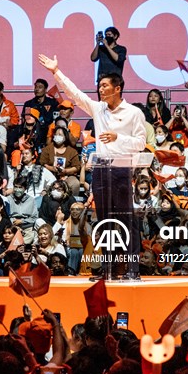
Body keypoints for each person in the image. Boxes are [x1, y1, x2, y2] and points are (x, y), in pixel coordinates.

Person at [38, 52, 146, 280]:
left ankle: (132, 269)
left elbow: (140, 143)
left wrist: (118, 138)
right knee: (105, 221)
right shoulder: (98, 109)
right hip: (101, 170)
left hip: (121, 170)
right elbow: (74, 94)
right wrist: (56, 72)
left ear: (118, 88)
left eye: (105, 85)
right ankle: (108, 270)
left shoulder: (134, 112)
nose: (100, 89)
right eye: (99, 85)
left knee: (126, 220)